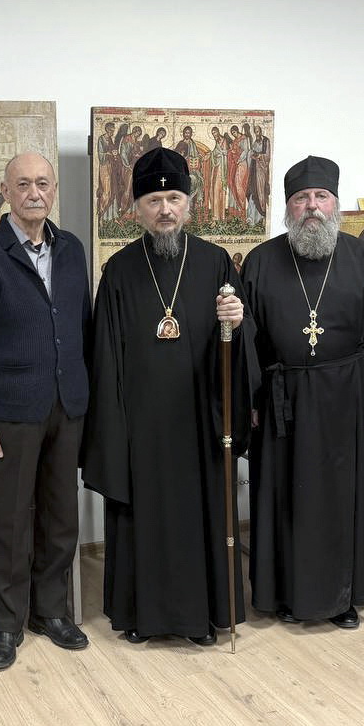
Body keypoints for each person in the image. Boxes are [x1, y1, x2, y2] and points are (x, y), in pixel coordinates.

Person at [83, 147, 254, 645]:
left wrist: (236, 323)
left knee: (200, 516)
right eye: (154, 200)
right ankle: (142, 616)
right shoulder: (118, 271)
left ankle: (203, 618)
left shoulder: (216, 262)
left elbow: (237, 345)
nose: (165, 209)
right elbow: (104, 357)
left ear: (189, 204)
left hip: (199, 420)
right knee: (143, 519)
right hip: (140, 426)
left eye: (174, 198)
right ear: (136, 208)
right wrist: (113, 427)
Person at [241, 155, 364, 629]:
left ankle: (341, 598)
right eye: (301, 198)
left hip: (346, 394)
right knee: (284, 497)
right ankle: (286, 595)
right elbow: (247, 339)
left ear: (336, 203)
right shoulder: (261, 260)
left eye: (321, 196)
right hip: (281, 397)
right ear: (288, 207)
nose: (312, 206)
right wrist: (251, 399)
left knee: (340, 498)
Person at [0, 152, 92, 670]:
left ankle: (51, 612)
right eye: (23, 184)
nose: (34, 193)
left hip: (68, 405)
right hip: (11, 412)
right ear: (6, 192)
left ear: (53, 190)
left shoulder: (72, 249)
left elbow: (82, 327)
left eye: (42, 183)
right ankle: (7, 623)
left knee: (61, 516)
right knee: (9, 521)